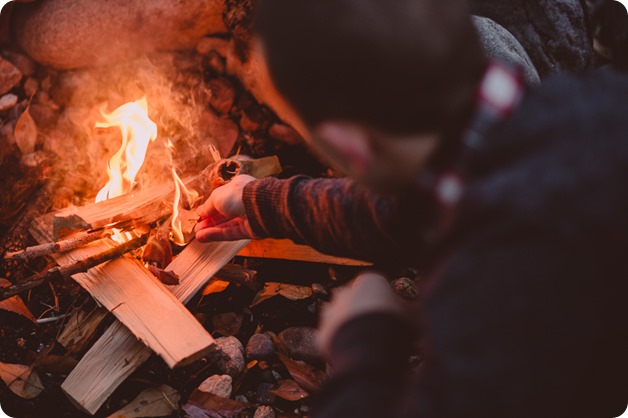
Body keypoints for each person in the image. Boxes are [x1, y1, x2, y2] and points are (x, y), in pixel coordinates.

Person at [195, 0, 628, 416]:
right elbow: (414, 205)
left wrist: (365, 345)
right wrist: (262, 202)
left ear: (349, 147)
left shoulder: (487, 288)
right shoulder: (591, 106)